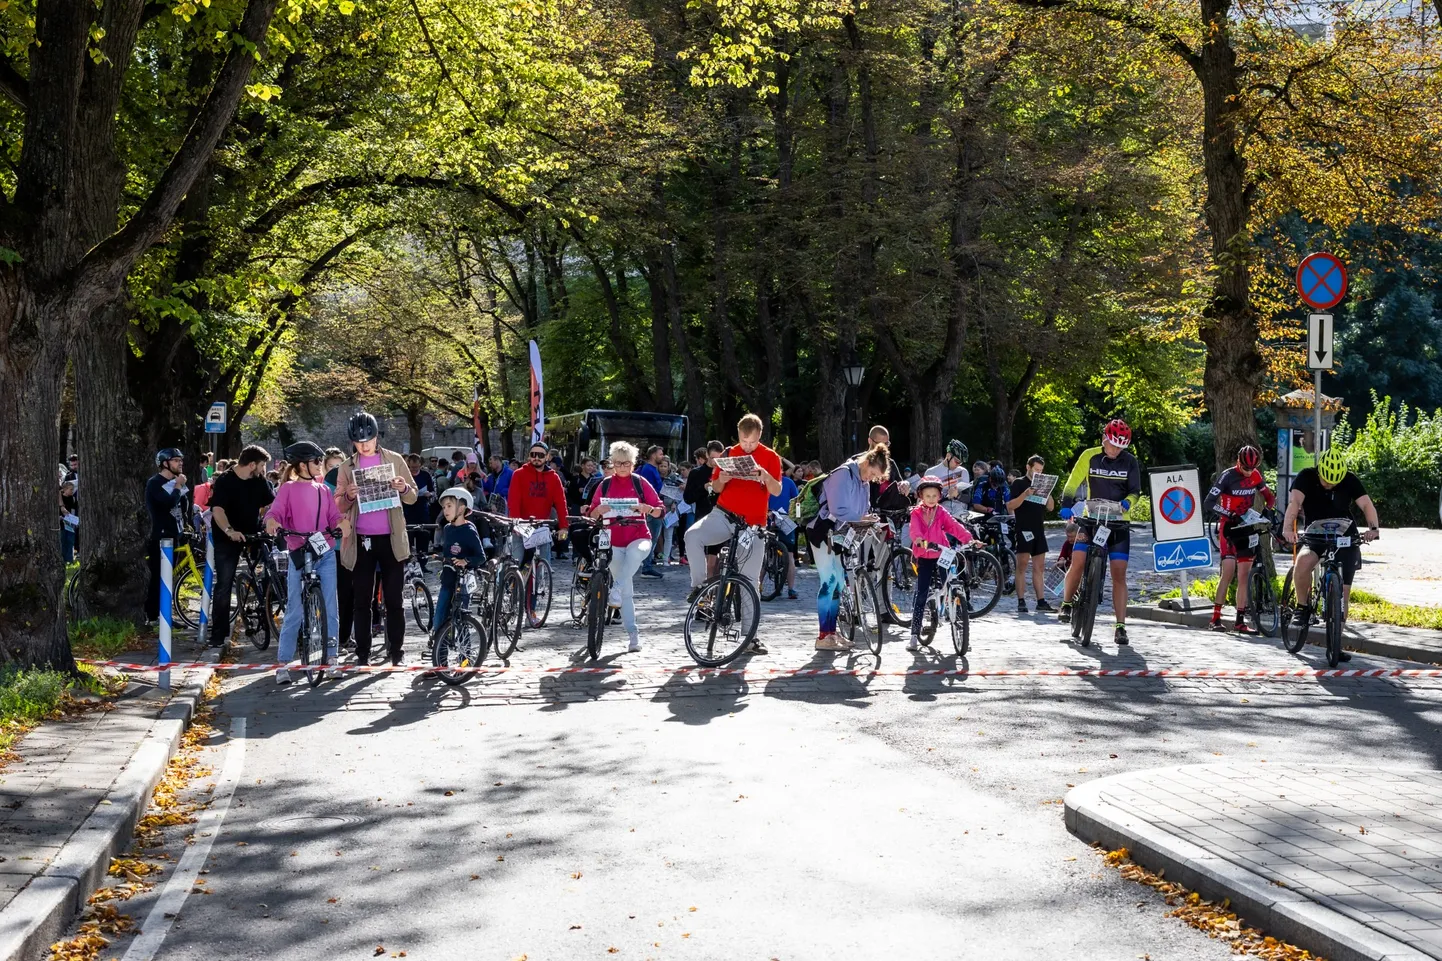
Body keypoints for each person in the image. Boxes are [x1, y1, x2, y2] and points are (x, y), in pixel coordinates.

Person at [685, 415, 783, 655]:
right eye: (743, 441)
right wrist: (723, 478)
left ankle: (751, 637)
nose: (747, 446)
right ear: (738, 435)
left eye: (752, 443)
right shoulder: (729, 453)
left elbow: (777, 490)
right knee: (692, 536)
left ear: (760, 436)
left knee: (750, 580)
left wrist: (765, 476)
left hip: (753, 524)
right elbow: (715, 488)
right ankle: (699, 587)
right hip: (724, 514)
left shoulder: (770, 457)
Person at [334, 411, 419, 666]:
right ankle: (363, 654)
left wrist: (403, 487)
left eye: (368, 440)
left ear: (376, 437)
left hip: (391, 538)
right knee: (362, 600)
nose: (364, 445)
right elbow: (337, 505)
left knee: (394, 599)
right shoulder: (347, 467)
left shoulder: (393, 459)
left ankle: (397, 652)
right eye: (359, 442)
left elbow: (413, 496)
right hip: (362, 539)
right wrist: (348, 496)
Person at [1282, 447, 1380, 662]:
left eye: (1335, 482)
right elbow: (1294, 504)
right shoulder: (1306, 477)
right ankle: (1302, 607)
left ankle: (1336, 643)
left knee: (1343, 592)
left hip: (1344, 535)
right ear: (1319, 472)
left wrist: (1373, 529)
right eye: (1326, 481)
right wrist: (1288, 529)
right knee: (1303, 561)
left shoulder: (1350, 479)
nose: (1330, 485)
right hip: (1315, 533)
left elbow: (1366, 504)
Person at [264, 442, 343, 684]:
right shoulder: (288, 488)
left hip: (325, 551)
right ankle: (283, 663)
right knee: (294, 610)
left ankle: (331, 659)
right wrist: (272, 522)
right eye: (316, 461)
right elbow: (274, 512)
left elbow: (334, 516)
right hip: (300, 552)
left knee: (331, 606)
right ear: (303, 464)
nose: (320, 465)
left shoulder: (323, 491)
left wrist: (342, 524)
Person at [1057, 419, 1142, 645]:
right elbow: (1072, 483)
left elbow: (1135, 491)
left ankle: (1121, 626)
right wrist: (1066, 503)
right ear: (1104, 438)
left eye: (1120, 447)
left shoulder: (1130, 461)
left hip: (1118, 523)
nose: (1115, 451)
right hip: (1092, 518)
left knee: (1119, 574)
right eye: (1112, 445)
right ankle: (1066, 603)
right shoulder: (1090, 456)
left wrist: (1127, 503)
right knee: (1078, 560)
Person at [808, 444, 889, 651]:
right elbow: (837, 509)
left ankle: (832, 634)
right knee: (829, 581)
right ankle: (823, 635)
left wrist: (868, 517)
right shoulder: (843, 474)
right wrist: (861, 517)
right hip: (823, 531)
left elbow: (862, 509)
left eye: (875, 477)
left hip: (840, 534)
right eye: (872, 473)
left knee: (837, 583)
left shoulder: (863, 482)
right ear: (866, 463)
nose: (871, 479)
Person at [588, 441, 665, 652]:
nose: (623, 467)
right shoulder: (604, 484)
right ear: (612, 463)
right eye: (618, 463)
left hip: (639, 535)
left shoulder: (640, 482)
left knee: (634, 557)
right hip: (613, 540)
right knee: (626, 593)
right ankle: (633, 635)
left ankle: (617, 586)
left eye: (627, 463)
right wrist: (598, 510)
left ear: (633, 464)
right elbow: (591, 513)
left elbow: (660, 510)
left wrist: (646, 508)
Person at [1204, 444, 1276, 634]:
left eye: (1252, 469)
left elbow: (1269, 497)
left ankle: (1239, 621)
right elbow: (1209, 502)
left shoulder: (1255, 476)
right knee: (1228, 572)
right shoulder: (1228, 476)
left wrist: (1268, 511)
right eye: (1246, 468)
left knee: (1244, 576)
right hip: (1228, 527)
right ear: (1238, 462)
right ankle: (1215, 618)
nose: (1248, 472)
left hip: (1246, 527)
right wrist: (1228, 513)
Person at [208, 445, 276, 647]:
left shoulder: (258, 480)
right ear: (252, 464)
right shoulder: (225, 481)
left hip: (253, 533)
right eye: (262, 465)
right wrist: (229, 531)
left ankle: (265, 611)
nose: (263, 470)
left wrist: (269, 520)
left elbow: (270, 503)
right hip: (227, 537)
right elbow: (218, 510)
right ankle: (218, 635)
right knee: (224, 584)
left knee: (270, 571)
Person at [907, 476, 974, 650]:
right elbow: (914, 530)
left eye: (934, 496)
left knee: (949, 584)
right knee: (922, 593)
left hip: (942, 553)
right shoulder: (916, 513)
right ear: (921, 496)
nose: (931, 499)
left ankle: (960, 626)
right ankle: (914, 634)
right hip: (924, 554)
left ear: (939, 496)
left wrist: (970, 539)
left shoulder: (941, 512)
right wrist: (919, 539)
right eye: (927, 496)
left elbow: (954, 526)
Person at [428, 487, 487, 662]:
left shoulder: (469, 530)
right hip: (447, 581)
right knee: (440, 619)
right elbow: (449, 552)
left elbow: (481, 556)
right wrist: (441, 557)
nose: (445, 510)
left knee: (461, 621)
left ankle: (465, 659)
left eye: (449, 506)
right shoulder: (447, 529)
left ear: (461, 508)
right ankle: (440, 662)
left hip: (463, 583)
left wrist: (466, 561)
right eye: (444, 507)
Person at [1006, 454, 1056, 614]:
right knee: (1022, 565)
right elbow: (1011, 506)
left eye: (1041, 471)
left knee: (1039, 567)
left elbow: (1051, 508)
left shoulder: (1041, 483)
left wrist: (1047, 493)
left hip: (1038, 528)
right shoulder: (1019, 483)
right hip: (1024, 528)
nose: (1038, 474)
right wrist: (1025, 494)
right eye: (1036, 470)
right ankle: (1021, 600)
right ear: (1028, 467)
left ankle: (1041, 601)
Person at [145, 448, 189, 623]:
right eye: (176, 460)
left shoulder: (178, 482)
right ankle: (153, 615)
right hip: (160, 535)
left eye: (181, 460)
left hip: (174, 531)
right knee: (158, 577)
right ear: (165, 463)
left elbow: (181, 505)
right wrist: (178, 486)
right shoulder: (155, 483)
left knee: (168, 577)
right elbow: (168, 501)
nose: (180, 463)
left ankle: (165, 614)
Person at [507, 441, 570, 562]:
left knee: (543, 563)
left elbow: (561, 503)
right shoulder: (519, 474)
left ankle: (539, 580)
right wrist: (515, 522)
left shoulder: (554, 477)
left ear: (547, 457)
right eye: (533, 454)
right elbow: (513, 500)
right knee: (517, 562)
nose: (536, 458)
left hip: (542, 524)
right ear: (529, 456)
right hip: (521, 524)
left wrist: (564, 527)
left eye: (540, 455)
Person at [682, 442, 723, 577]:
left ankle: (715, 590)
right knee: (706, 563)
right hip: (703, 519)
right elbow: (688, 498)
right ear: (706, 455)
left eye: (719, 458)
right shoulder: (696, 473)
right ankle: (705, 590)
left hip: (721, 520)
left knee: (715, 562)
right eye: (712, 458)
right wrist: (703, 488)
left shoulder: (724, 472)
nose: (715, 462)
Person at [767, 461, 801, 600]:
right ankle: (758, 586)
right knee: (766, 557)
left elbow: (797, 500)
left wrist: (797, 517)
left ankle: (791, 588)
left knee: (790, 556)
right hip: (772, 519)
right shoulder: (768, 483)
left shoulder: (787, 482)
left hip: (784, 519)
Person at [637, 446, 667, 577]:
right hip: (652, 509)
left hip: (654, 508)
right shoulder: (649, 470)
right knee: (651, 538)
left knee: (652, 537)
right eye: (660, 454)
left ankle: (647, 564)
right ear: (653, 455)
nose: (662, 456)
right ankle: (647, 566)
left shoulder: (651, 469)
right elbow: (649, 490)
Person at [925, 440, 972, 518]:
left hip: (960, 513)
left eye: (960, 463)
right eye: (956, 461)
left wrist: (958, 495)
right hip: (940, 513)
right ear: (948, 456)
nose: (958, 465)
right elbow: (926, 500)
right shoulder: (931, 472)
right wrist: (945, 496)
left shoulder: (963, 472)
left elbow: (968, 499)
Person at [404, 453, 436, 568]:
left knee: (423, 537)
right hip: (408, 510)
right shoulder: (405, 475)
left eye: (416, 467)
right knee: (409, 537)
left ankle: (423, 563)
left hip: (422, 509)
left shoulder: (425, 475)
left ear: (420, 465)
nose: (414, 470)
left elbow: (433, 491)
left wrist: (429, 494)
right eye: (412, 467)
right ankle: (410, 563)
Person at [59, 479, 79, 564]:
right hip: (62, 523)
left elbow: (75, 509)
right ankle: (63, 558)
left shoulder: (73, 499)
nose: (72, 491)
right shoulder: (60, 499)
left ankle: (69, 559)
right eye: (70, 489)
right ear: (65, 489)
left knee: (70, 540)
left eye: (73, 489)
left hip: (70, 522)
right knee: (63, 540)